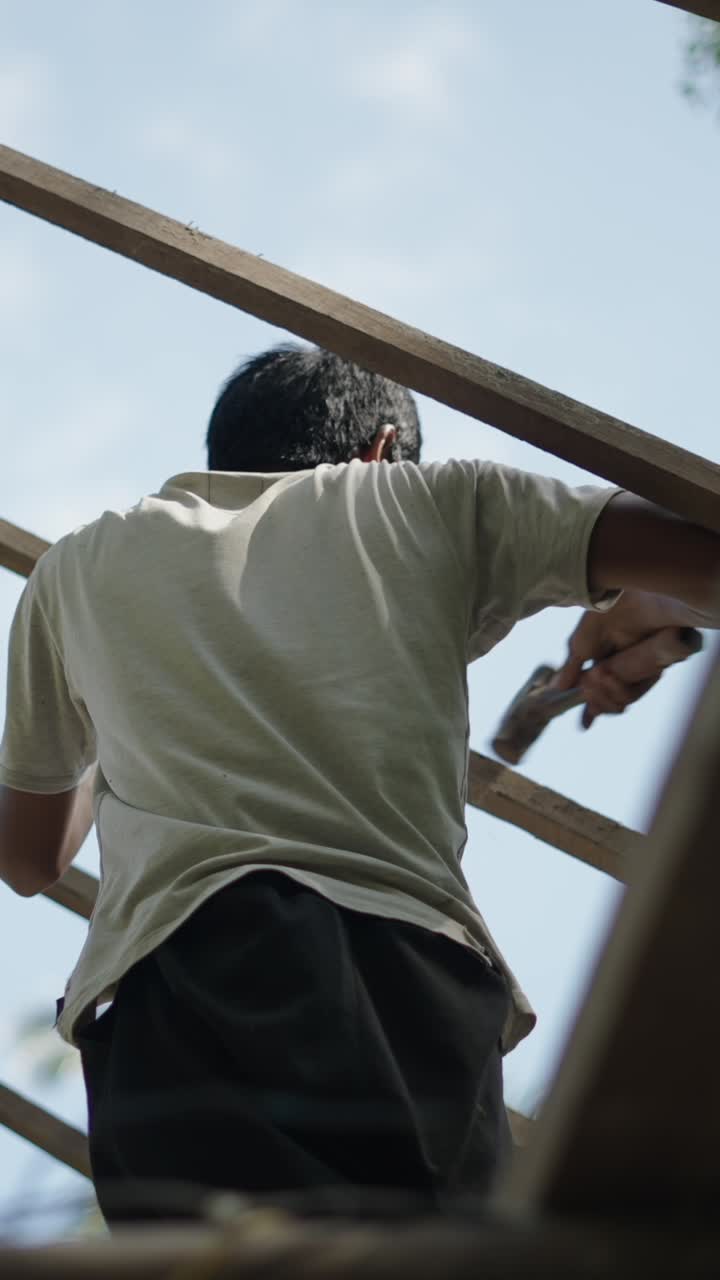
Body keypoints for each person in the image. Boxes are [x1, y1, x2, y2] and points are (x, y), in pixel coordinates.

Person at [0, 344, 717, 1224]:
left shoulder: (76, 568)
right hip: (398, 977)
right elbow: (705, 558)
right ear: (383, 449)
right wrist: (643, 603)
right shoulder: (425, 500)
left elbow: (31, 856)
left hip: (171, 1003)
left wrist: (137, 701)